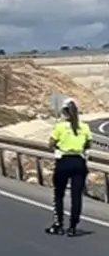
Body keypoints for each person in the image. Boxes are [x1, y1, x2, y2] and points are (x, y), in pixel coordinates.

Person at [45, 97, 92, 237]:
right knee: (76, 196)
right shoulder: (85, 127)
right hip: (79, 163)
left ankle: (58, 224)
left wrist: (60, 146)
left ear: (65, 112)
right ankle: (73, 227)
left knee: (59, 194)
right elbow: (88, 144)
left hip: (64, 162)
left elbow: (51, 143)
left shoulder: (60, 126)